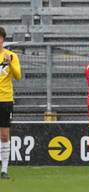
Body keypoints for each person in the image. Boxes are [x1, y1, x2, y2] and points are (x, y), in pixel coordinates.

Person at [0, 26, 21, 179]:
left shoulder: (11, 56)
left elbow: (18, 76)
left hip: (5, 100)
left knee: (5, 136)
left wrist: (10, 63)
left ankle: (4, 170)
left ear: (3, 39)